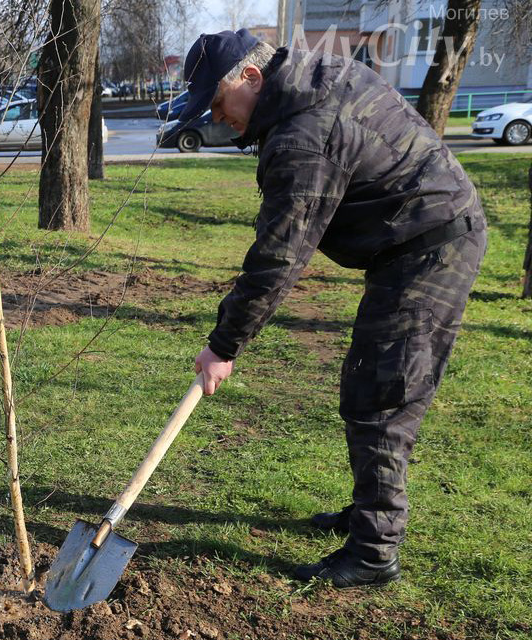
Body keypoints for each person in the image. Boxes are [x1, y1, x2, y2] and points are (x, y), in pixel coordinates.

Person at [180, 29, 486, 588]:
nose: (219, 120)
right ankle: (369, 510)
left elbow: (278, 259)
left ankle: (374, 551)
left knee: (383, 393)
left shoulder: (304, 133)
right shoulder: (308, 80)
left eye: (218, 105)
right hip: (410, 240)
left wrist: (224, 345)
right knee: (370, 382)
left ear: (251, 78)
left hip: (430, 244)